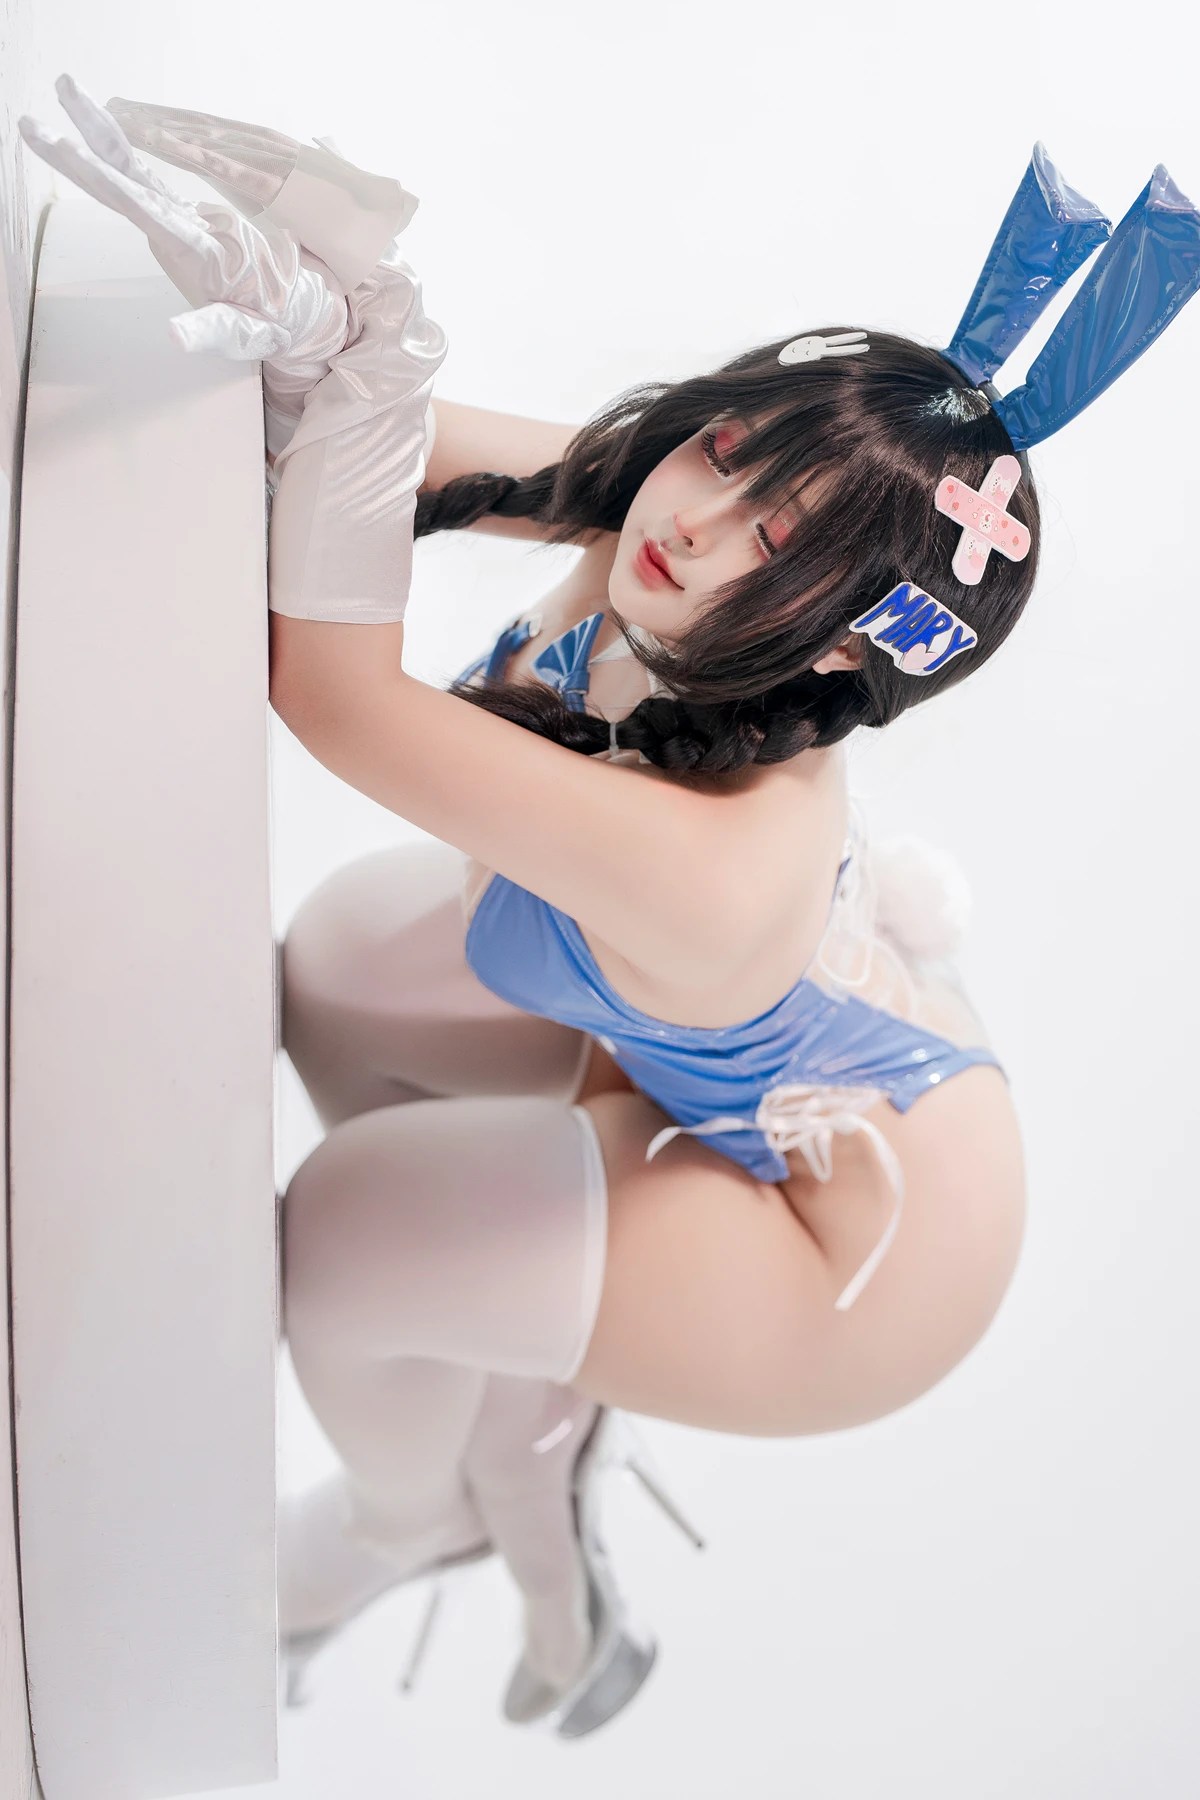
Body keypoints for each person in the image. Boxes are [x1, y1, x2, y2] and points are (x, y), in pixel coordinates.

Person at [21, 80, 1200, 1737]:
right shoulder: (669, 543)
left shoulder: (718, 864)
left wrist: (362, 370)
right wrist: (321, 340)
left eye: (774, 539)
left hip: (864, 1245)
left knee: (352, 1237)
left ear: (842, 643)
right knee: (349, 964)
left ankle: (411, 1520)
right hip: (740, 1049)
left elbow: (333, 692)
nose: (694, 523)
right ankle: (524, 1383)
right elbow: (403, 449)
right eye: (727, 449)